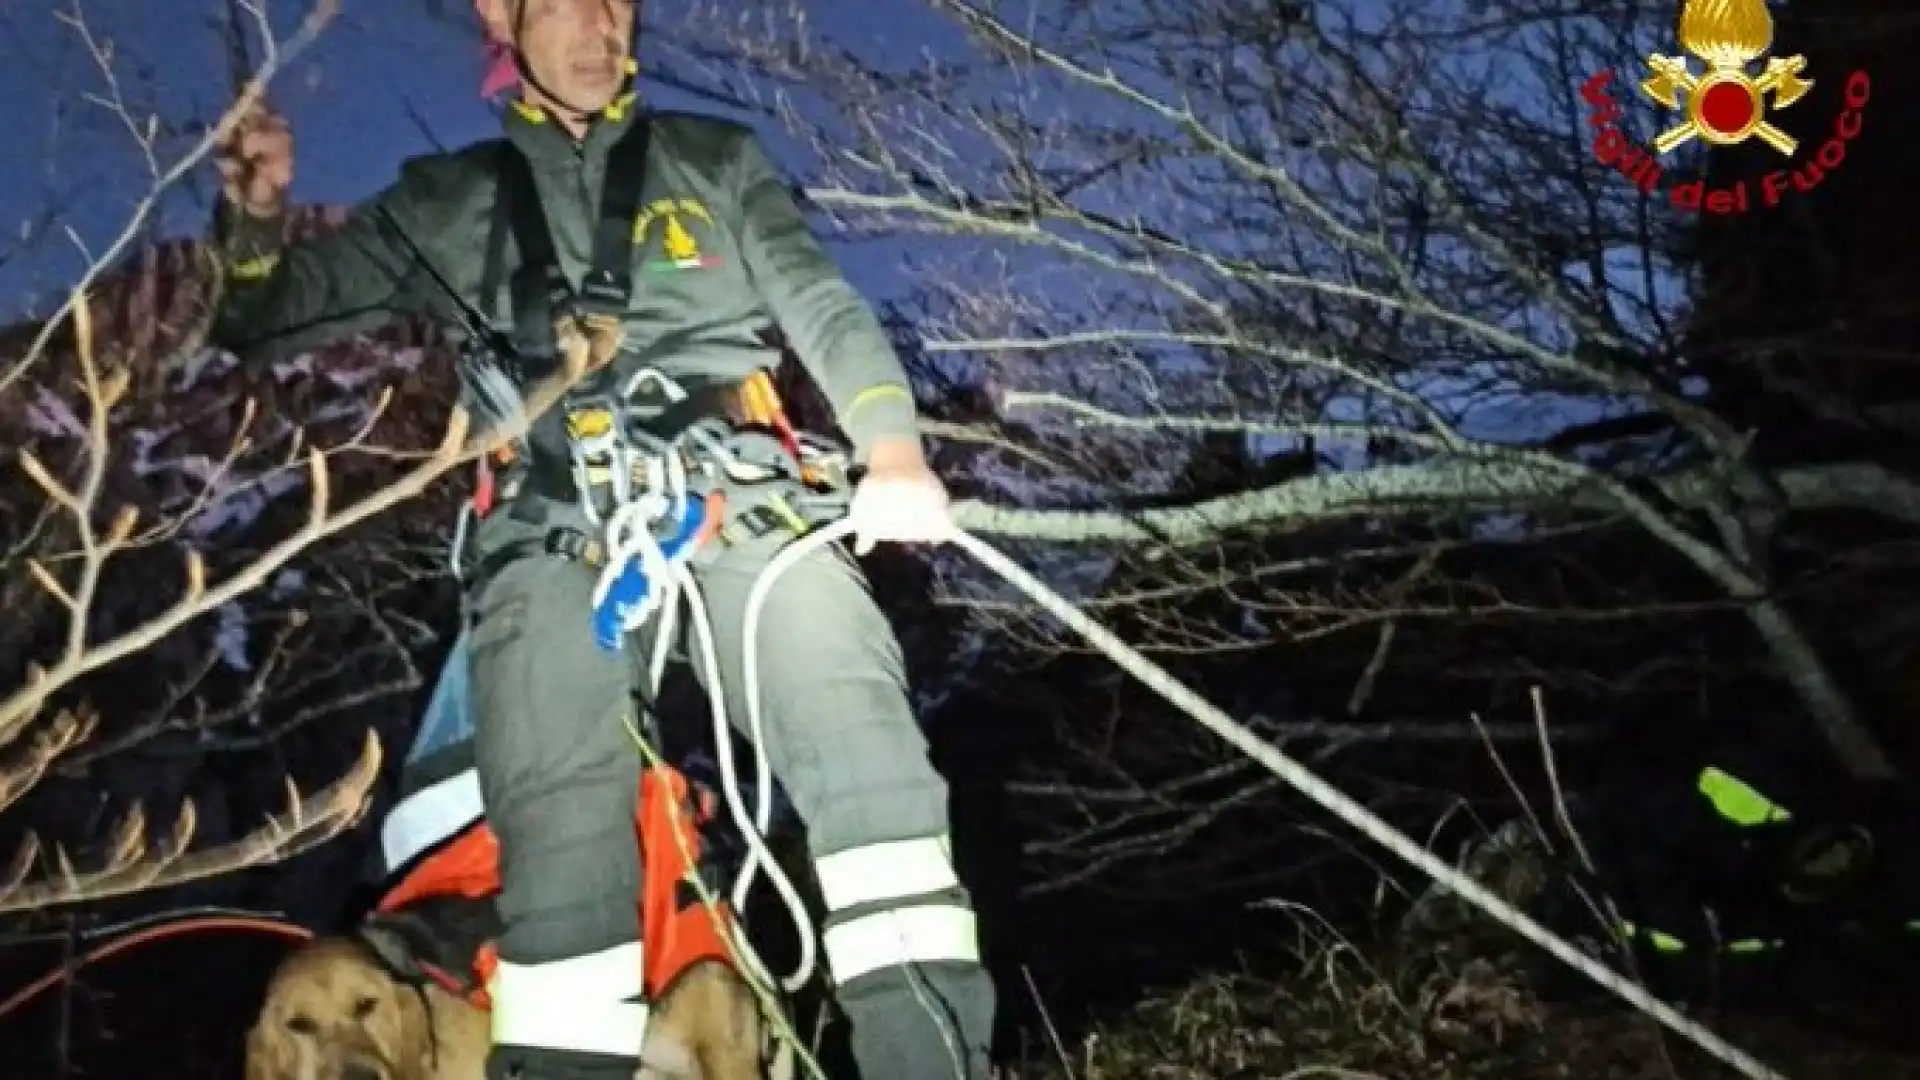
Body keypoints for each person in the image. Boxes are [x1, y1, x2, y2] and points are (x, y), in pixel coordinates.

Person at [208, 2, 995, 1078]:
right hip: (549, 521)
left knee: (873, 768)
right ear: (502, 14)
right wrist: (253, 223)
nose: (600, 26)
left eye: (618, 2)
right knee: (564, 857)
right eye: (569, 2)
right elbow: (264, 318)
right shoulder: (449, 201)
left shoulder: (713, 160)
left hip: (736, 489)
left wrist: (890, 444)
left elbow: (817, 297)